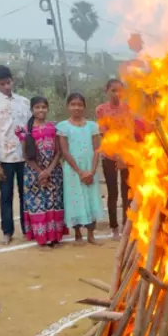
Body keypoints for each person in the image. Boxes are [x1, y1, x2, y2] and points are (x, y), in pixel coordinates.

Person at [0, 65, 31, 245]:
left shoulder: (24, 102)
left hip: (24, 157)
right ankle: (7, 231)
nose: (7, 87)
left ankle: (28, 228)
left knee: (26, 194)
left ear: (13, 80)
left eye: (9, 82)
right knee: (6, 195)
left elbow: (30, 130)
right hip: (5, 158)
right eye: (2, 84)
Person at [14, 97, 66, 248]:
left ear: (47, 109)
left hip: (54, 172)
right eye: (37, 107)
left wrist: (49, 170)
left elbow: (58, 152)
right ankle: (42, 237)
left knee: (53, 202)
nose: (41, 110)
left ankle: (54, 236)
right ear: (31, 110)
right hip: (33, 174)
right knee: (39, 204)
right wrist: (40, 172)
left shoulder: (54, 128)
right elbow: (25, 155)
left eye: (43, 107)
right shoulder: (24, 130)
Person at [56, 93, 104, 245]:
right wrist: (79, 172)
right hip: (73, 170)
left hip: (90, 168)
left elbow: (97, 149)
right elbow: (65, 151)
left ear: (84, 107)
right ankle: (77, 234)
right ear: (68, 107)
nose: (76, 107)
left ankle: (91, 235)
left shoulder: (92, 126)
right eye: (73, 104)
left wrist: (92, 171)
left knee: (91, 199)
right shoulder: (63, 127)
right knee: (74, 200)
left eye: (79, 104)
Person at [96, 79, 134, 241]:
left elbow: (130, 132)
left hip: (126, 156)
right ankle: (114, 228)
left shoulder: (127, 109)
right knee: (113, 192)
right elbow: (104, 133)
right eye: (113, 90)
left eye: (119, 90)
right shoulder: (101, 109)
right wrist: (116, 153)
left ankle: (127, 224)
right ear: (107, 90)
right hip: (109, 155)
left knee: (127, 191)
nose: (116, 94)